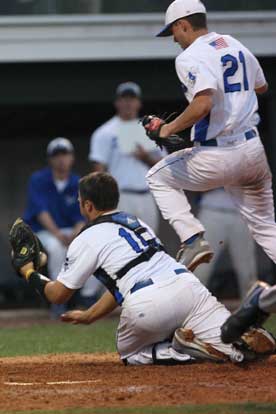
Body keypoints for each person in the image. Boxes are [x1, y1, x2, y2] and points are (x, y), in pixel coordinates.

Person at [17, 172, 275, 365]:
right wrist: (91, 315)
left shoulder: (85, 238)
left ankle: (179, 349)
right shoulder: (136, 222)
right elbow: (127, 279)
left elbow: (57, 295)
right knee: (239, 352)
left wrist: (28, 272)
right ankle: (234, 341)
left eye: (81, 201)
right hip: (189, 288)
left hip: (148, 304)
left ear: (88, 205)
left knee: (128, 352)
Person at [144, 0, 276, 273]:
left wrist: (167, 129)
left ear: (184, 25)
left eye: (174, 32)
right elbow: (262, 87)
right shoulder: (233, 43)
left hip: (218, 153)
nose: (174, 40)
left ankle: (192, 239)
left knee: (157, 177)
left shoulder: (188, 56)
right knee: (266, 228)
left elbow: (203, 104)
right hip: (252, 149)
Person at [23, 137, 100, 317]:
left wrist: (75, 233)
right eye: (56, 155)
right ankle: (58, 299)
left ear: (72, 158)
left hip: (70, 230)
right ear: (50, 159)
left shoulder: (78, 182)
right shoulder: (38, 179)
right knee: (57, 249)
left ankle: (88, 297)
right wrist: (58, 234)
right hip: (43, 231)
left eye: (64, 154)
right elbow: (41, 212)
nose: (61, 159)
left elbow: (84, 213)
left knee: (92, 248)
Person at [89, 81, 162, 233]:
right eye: (124, 99)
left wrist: (146, 157)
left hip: (147, 194)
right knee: (121, 242)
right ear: (117, 102)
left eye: (132, 98)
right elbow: (98, 170)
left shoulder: (149, 129)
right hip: (121, 196)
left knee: (150, 243)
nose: (128, 103)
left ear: (138, 103)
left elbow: (164, 164)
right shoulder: (105, 132)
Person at [194, 188, 257, 298]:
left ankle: (251, 312)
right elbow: (193, 184)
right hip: (212, 211)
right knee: (200, 267)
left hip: (242, 214)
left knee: (247, 272)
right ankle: (191, 309)